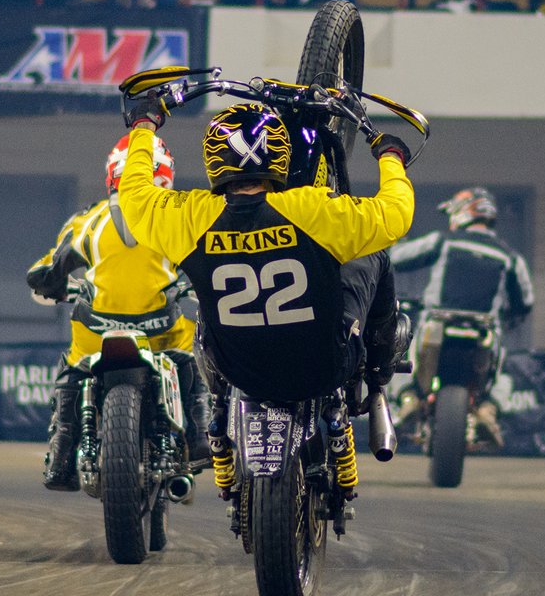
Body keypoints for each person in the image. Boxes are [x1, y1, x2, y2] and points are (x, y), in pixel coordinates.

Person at [115, 85, 413, 496]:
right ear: (280, 155)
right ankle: (379, 378)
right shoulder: (313, 209)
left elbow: (135, 196)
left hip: (239, 371)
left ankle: (219, 409)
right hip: (324, 368)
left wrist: (145, 126)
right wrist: (391, 157)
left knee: (201, 313)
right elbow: (395, 214)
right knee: (376, 254)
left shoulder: (189, 218)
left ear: (214, 162)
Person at [26, 137, 209, 491]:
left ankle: (62, 455)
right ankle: (201, 435)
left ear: (112, 172)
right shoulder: (178, 214)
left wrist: (52, 286)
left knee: (73, 368)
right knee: (193, 357)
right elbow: (210, 261)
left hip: (99, 330)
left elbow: (48, 269)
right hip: (161, 330)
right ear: (165, 173)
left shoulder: (86, 221)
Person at [389, 187, 534, 438]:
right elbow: (526, 300)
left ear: (463, 213)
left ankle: (407, 398)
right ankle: (488, 410)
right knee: (504, 371)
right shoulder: (509, 256)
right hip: (485, 330)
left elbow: (396, 258)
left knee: (397, 353)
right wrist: (508, 317)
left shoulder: (443, 241)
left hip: (437, 322)